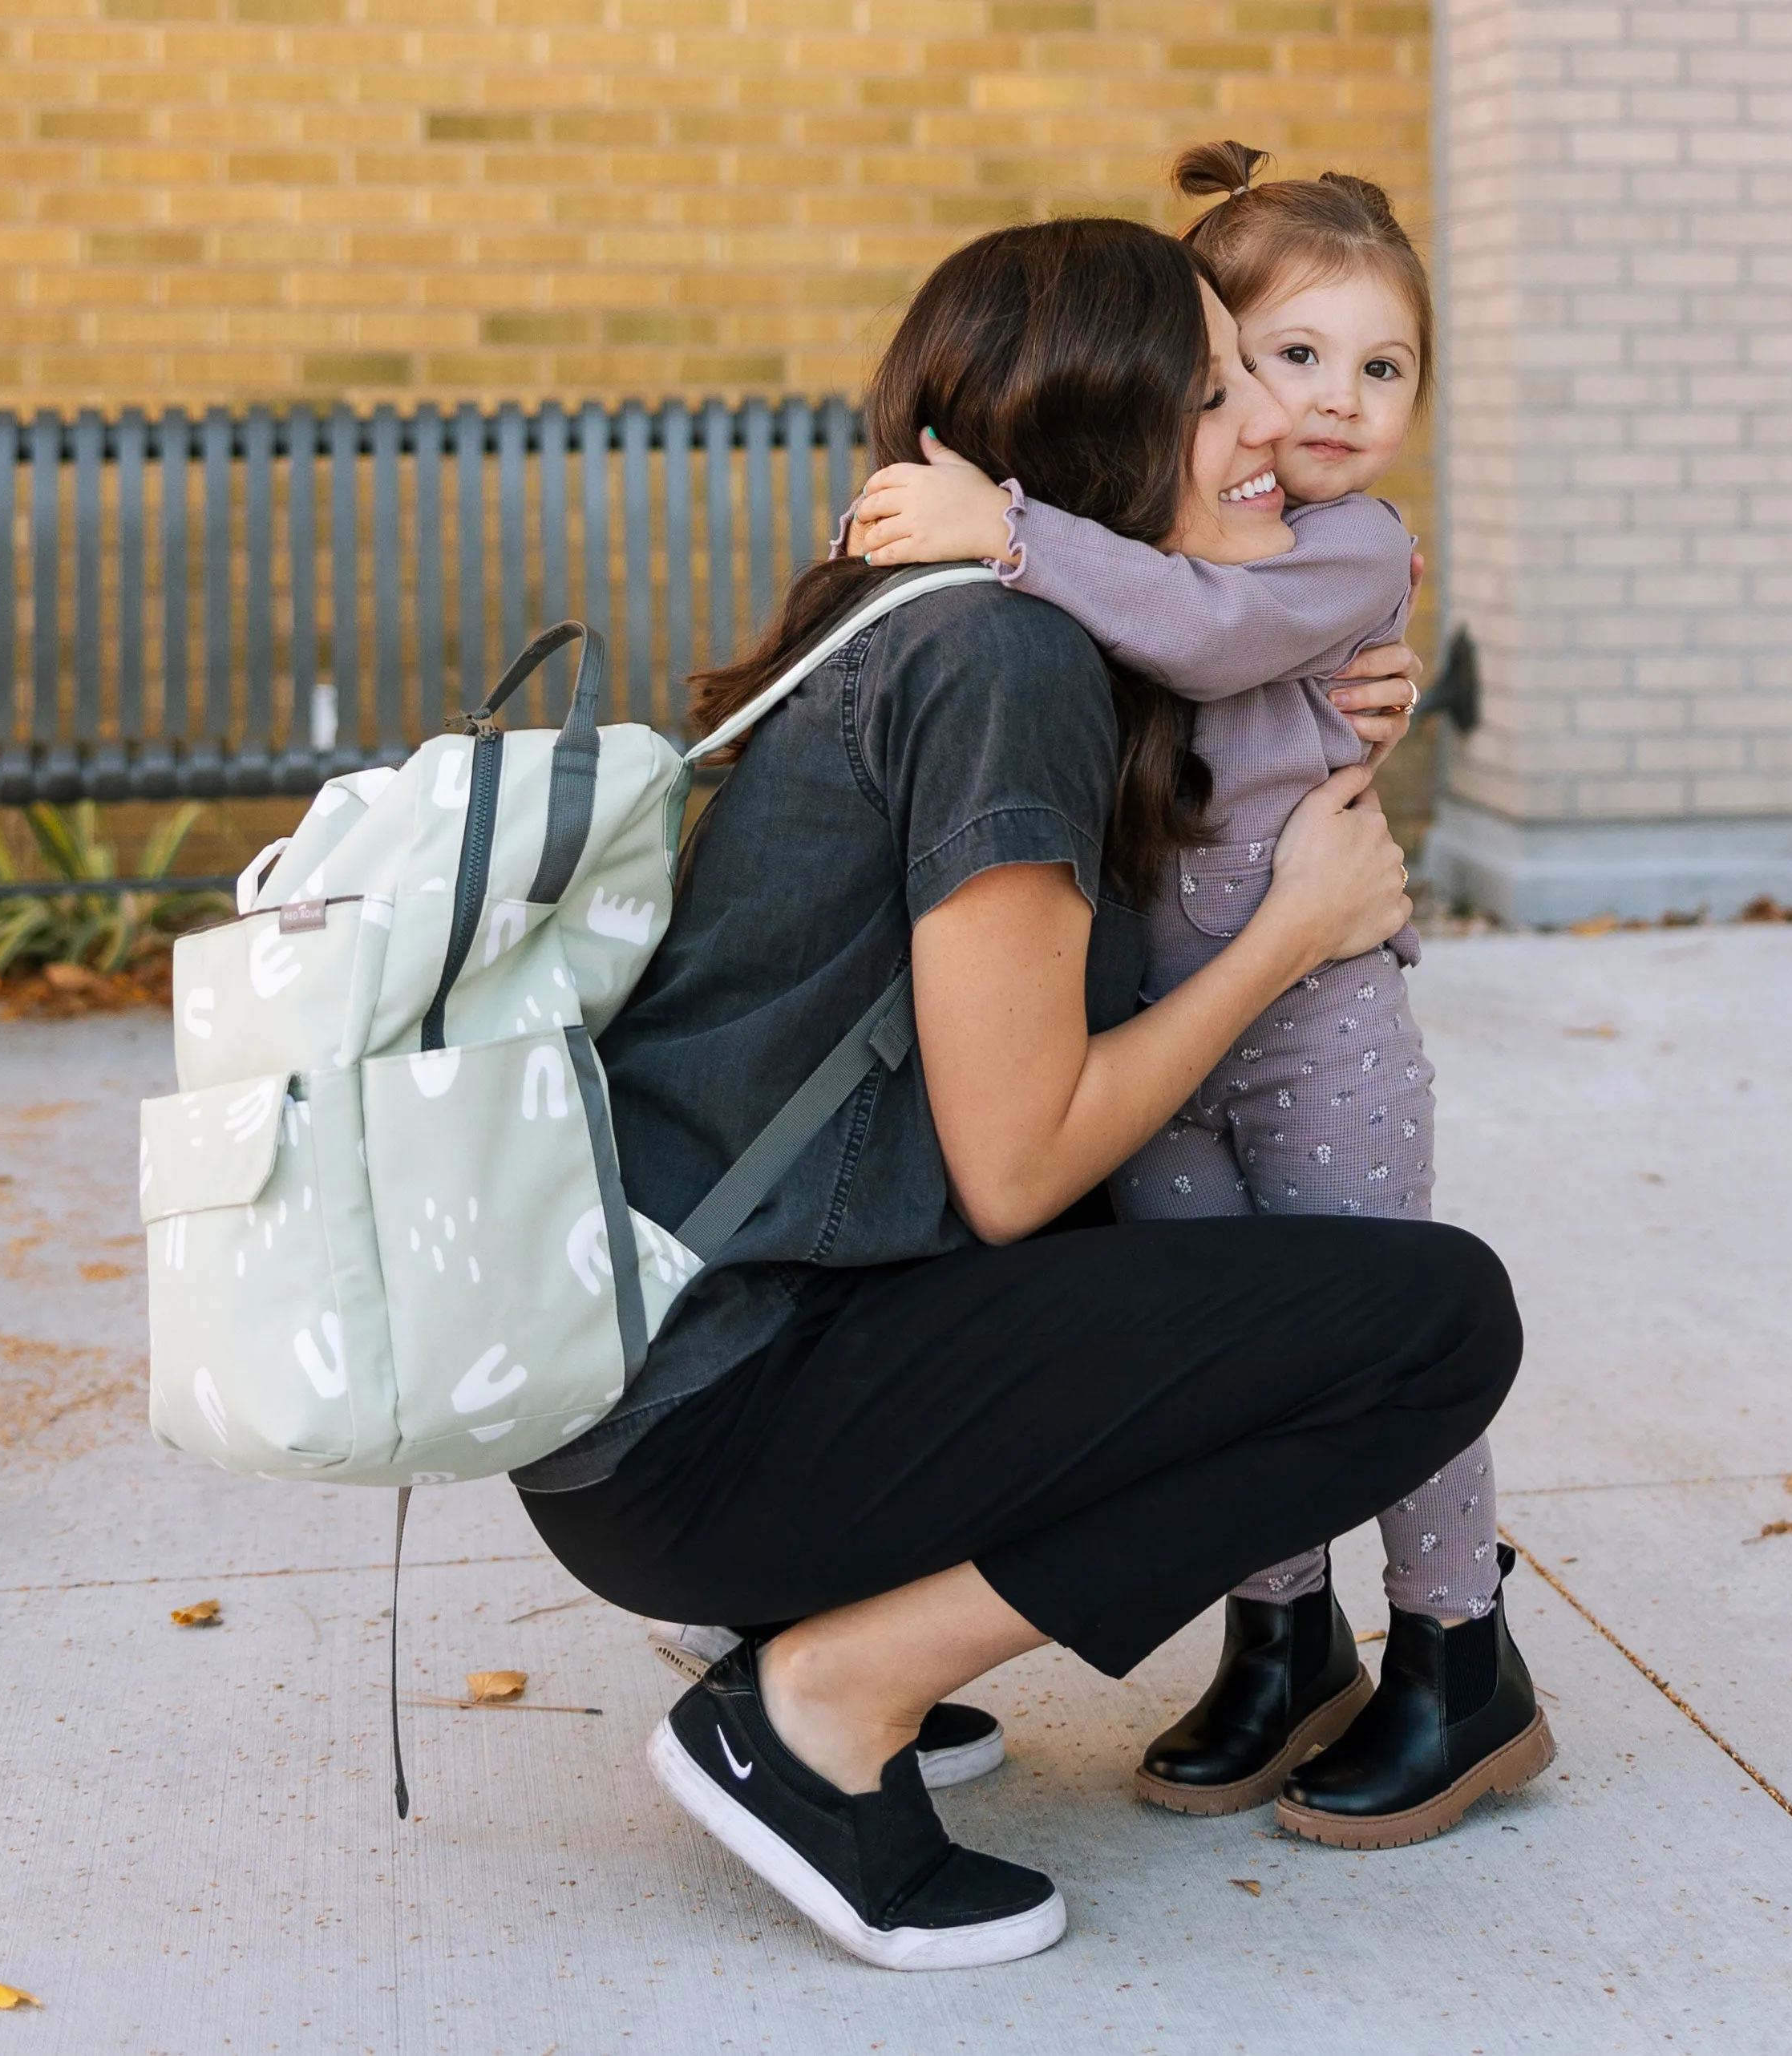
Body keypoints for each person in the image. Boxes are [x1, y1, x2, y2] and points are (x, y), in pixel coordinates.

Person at [512, 217, 1522, 1972]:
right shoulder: (1005, 669)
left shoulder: (966, 626)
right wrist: (1292, 936)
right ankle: (823, 1696)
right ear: (1106, 438)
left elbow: (1222, 657)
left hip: (665, 1395)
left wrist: (1337, 680)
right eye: (1215, 395)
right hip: (709, 1426)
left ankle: (817, 1605)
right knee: (1434, 1322)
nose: (1268, 432)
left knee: (1200, 1245)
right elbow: (1017, 1161)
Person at [845, 140, 1554, 1850]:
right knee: (1231, 1342)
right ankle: (1280, 1634)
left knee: (1383, 1324)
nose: (1332, 402)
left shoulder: (1347, 553)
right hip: (1158, 1041)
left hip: (1317, 1026)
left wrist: (1007, 528)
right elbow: (1120, 633)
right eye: (1287, 358)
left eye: (1382, 367)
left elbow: (1203, 634)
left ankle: (1458, 1648)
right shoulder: (1153, 535)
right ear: (1205, 369)